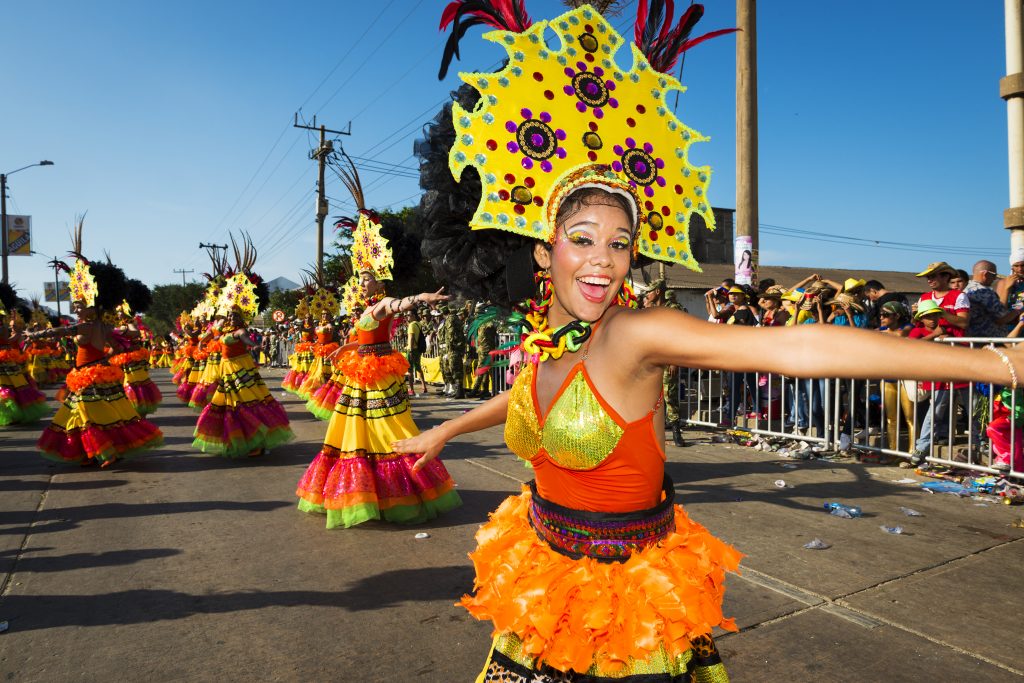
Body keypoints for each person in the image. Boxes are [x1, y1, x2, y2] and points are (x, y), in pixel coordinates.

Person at [31, 226, 163, 466]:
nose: (77, 308)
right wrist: (106, 357)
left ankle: (105, 452)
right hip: (96, 372)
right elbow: (119, 347)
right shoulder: (103, 326)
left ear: (96, 305)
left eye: (81, 305)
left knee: (89, 414)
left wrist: (38, 333)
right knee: (101, 413)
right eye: (77, 304)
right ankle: (90, 451)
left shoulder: (87, 326)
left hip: (89, 376)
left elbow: (62, 330)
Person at [193, 268, 294, 458]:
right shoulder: (224, 331)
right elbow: (210, 335)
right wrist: (201, 341)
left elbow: (247, 340)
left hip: (240, 370)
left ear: (242, 319)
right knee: (228, 405)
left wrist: (254, 346)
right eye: (230, 315)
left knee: (245, 403)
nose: (232, 318)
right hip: (226, 371)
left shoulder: (240, 332)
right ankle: (240, 438)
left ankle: (258, 439)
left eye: (235, 316)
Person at [0, 300, 48, 426]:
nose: (12, 327)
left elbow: (7, 341)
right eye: (11, 326)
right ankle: (10, 414)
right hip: (9, 358)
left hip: (7, 360)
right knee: (6, 387)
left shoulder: (4, 329)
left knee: (13, 386)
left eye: (14, 326)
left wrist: (16, 337)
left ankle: (15, 414)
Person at [964, 259, 1017, 338]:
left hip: (972, 338)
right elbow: (1002, 318)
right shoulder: (984, 292)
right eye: (994, 274)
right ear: (985, 274)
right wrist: (1019, 310)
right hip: (988, 341)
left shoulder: (966, 288)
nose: (995, 278)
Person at [917, 261, 970, 336]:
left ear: (946, 276)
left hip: (953, 345)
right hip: (928, 345)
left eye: (933, 276)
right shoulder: (923, 298)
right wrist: (914, 316)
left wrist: (943, 314)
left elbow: (964, 323)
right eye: (928, 277)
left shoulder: (959, 296)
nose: (929, 280)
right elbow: (918, 325)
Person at [406, 308, 428, 396]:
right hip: (417, 349)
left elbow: (411, 337)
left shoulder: (411, 325)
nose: (407, 317)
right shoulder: (418, 324)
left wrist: (410, 349)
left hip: (412, 349)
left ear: (413, 316)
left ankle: (411, 390)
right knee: (418, 368)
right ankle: (424, 387)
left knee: (410, 370)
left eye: (409, 315)